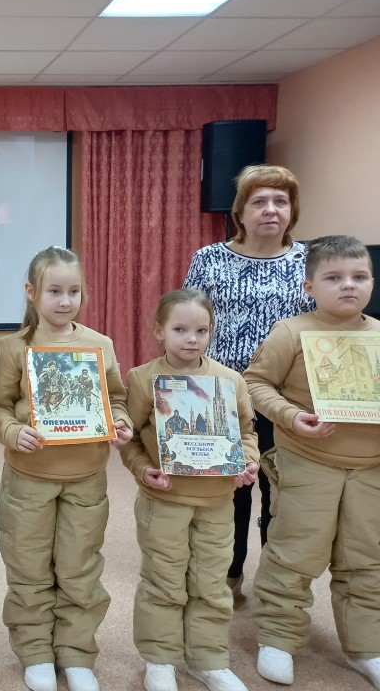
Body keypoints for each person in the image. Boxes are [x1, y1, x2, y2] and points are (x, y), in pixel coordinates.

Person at [0, 246, 132, 691]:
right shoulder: (14, 347)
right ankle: (34, 650)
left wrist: (121, 421)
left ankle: (76, 653)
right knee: (28, 566)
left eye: (74, 291)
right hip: (29, 478)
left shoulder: (100, 345)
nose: (65, 300)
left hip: (86, 477)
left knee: (79, 567)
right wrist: (12, 431)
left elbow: (116, 398)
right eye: (54, 291)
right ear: (32, 293)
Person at [244, 235, 380, 688]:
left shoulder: (379, 335)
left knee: (367, 559)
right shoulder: (291, 332)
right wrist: (289, 415)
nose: (349, 285)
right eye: (334, 277)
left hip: (370, 469)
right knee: (294, 553)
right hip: (307, 462)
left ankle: (366, 646)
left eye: (359, 276)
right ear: (309, 286)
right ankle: (278, 638)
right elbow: (255, 383)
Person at [183, 164, 313, 599]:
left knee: (282, 495)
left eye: (280, 201)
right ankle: (230, 574)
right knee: (228, 493)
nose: (271, 209)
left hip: (286, 401)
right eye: (259, 201)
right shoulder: (208, 259)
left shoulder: (310, 262)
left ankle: (275, 581)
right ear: (240, 210)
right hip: (220, 398)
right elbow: (188, 323)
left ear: (292, 209)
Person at [119, 289, 259, 691]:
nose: (192, 339)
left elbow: (246, 432)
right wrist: (142, 469)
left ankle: (208, 659)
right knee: (163, 580)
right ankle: (160, 659)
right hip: (164, 501)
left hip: (217, 503)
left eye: (201, 330)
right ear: (159, 331)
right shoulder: (143, 379)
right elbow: (130, 439)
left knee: (212, 583)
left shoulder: (229, 380)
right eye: (180, 329)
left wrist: (249, 461)